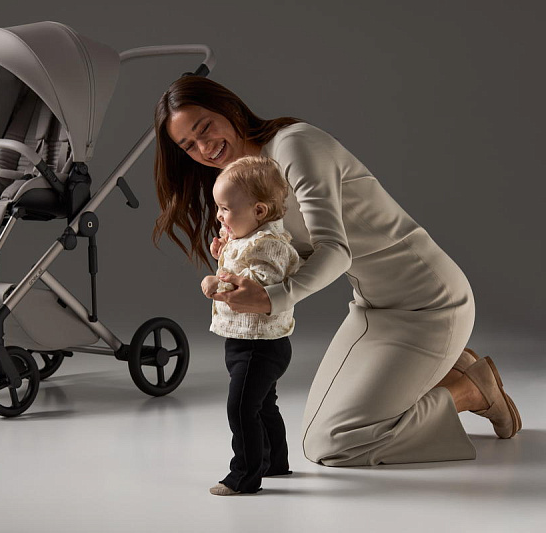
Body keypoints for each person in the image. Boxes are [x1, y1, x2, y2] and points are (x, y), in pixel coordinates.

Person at [153, 76, 521, 467]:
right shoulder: (248, 181)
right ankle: (451, 369)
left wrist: (272, 299)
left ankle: (468, 390)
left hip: (431, 302)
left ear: (228, 108)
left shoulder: (294, 146)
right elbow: (292, 253)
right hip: (372, 308)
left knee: (335, 444)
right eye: (188, 145)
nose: (204, 148)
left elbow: (335, 251)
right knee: (321, 436)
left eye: (205, 127)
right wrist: (238, 253)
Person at [200, 156, 300, 495]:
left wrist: (217, 281)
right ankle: (275, 461)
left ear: (258, 211)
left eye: (225, 209)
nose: (219, 216)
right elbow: (242, 258)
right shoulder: (249, 236)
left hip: (260, 345)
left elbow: (258, 283)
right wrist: (223, 251)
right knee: (263, 404)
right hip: (247, 340)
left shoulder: (269, 244)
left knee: (242, 408)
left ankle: (244, 476)